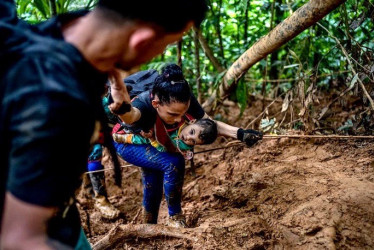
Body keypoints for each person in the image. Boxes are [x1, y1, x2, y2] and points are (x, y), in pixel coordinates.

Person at [0, 1, 208, 249]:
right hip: (41, 225)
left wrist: (115, 82)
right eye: (163, 46)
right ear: (141, 41)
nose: (157, 56)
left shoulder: (31, 30)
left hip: (60, 213)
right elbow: (18, 238)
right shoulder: (58, 106)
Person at [110, 64, 263, 228]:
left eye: (183, 114)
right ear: (156, 104)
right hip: (128, 142)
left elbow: (207, 124)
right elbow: (130, 115)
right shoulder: (143, 106)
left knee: (153, 177)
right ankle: (175, 217)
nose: (178, 120)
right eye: (173, 114)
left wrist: (240, 134)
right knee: (173, 163)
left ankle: (148, 226)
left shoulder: (183, 98)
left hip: (156, 141)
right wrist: (121, 105)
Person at [113, 118, 218, 159]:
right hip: (155, 124)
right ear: (192, 121)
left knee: (144, 138)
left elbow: (164, 147)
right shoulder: (181, 118)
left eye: (193, 141)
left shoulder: (182, 146)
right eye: (191, 132)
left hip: (156, 140)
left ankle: (126, 138)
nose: (188, 138)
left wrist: (153, 138)